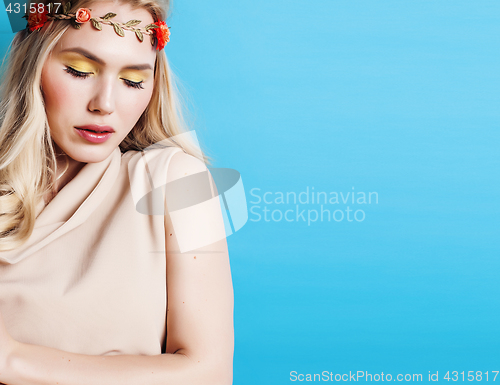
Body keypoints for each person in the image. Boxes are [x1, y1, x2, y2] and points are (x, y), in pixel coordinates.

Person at [0, 0, 234, 384]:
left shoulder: (185, 183)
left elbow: (209, 372)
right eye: (79, 71)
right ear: (32, 63)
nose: (105, 104)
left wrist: (13, 361)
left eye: (132, 80)